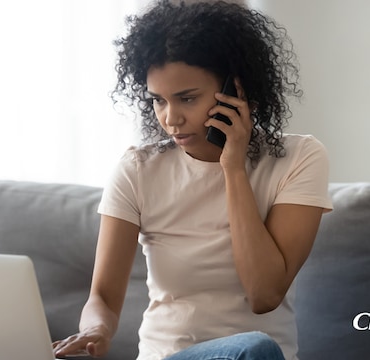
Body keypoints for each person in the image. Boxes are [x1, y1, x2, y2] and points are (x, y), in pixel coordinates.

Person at [52, 1, 333, 359]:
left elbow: (264, 294)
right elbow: (103, 298)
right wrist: (96, 329)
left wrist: (233, 168)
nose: (171, 119)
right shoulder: (138, 170)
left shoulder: (299, 158)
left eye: (187, 98)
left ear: (236, 90)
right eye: (158, 101)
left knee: (255, 348)